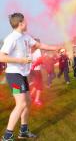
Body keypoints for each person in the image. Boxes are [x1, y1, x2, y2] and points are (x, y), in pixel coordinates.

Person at [0, 13, 60, 141]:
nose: (27, 24)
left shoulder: (25, 37)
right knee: (21, 104)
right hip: (14, 75)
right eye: (25, 22)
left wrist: (55, 48)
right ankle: (7, 135)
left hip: (23, 75)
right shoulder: (12, 38)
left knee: (27, 102)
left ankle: (24, 131)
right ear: (20, 23)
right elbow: (1, 57)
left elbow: (39, 45)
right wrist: (21, 60)